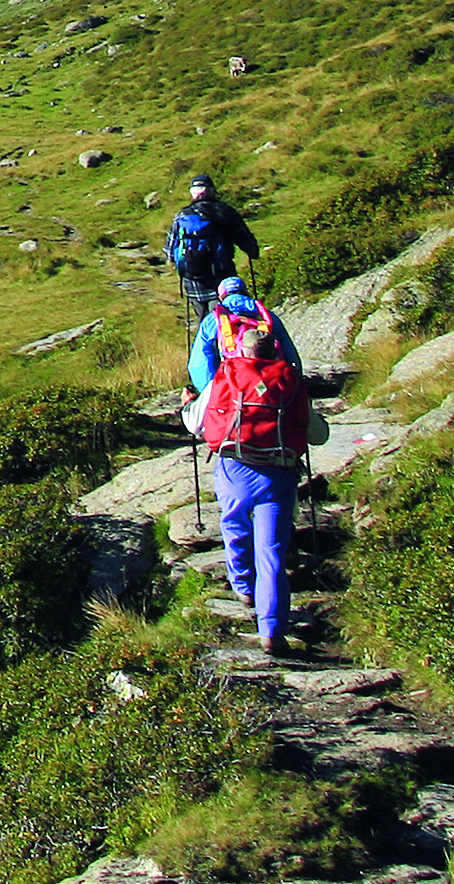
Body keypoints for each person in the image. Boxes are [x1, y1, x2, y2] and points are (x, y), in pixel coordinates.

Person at [189, 276, 312, 653]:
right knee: (272, 551)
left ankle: (242, 587)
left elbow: (195, 419)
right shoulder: (269, 321)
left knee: (233, 524)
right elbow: (316, 432)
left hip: (235, 463)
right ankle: (272, 629)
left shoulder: (219, 338)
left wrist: (203, 398)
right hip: (279, 471)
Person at [165, 173, 261, 327]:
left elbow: (170, 252)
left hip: (193, 282)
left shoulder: (182, 216)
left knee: (205, 324)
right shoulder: (225, 211)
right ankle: (229, 349)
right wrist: (253, 252)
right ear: (211, 190)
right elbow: (245, 240)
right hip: (223, 278)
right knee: (228, 322)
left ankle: (208, 349)